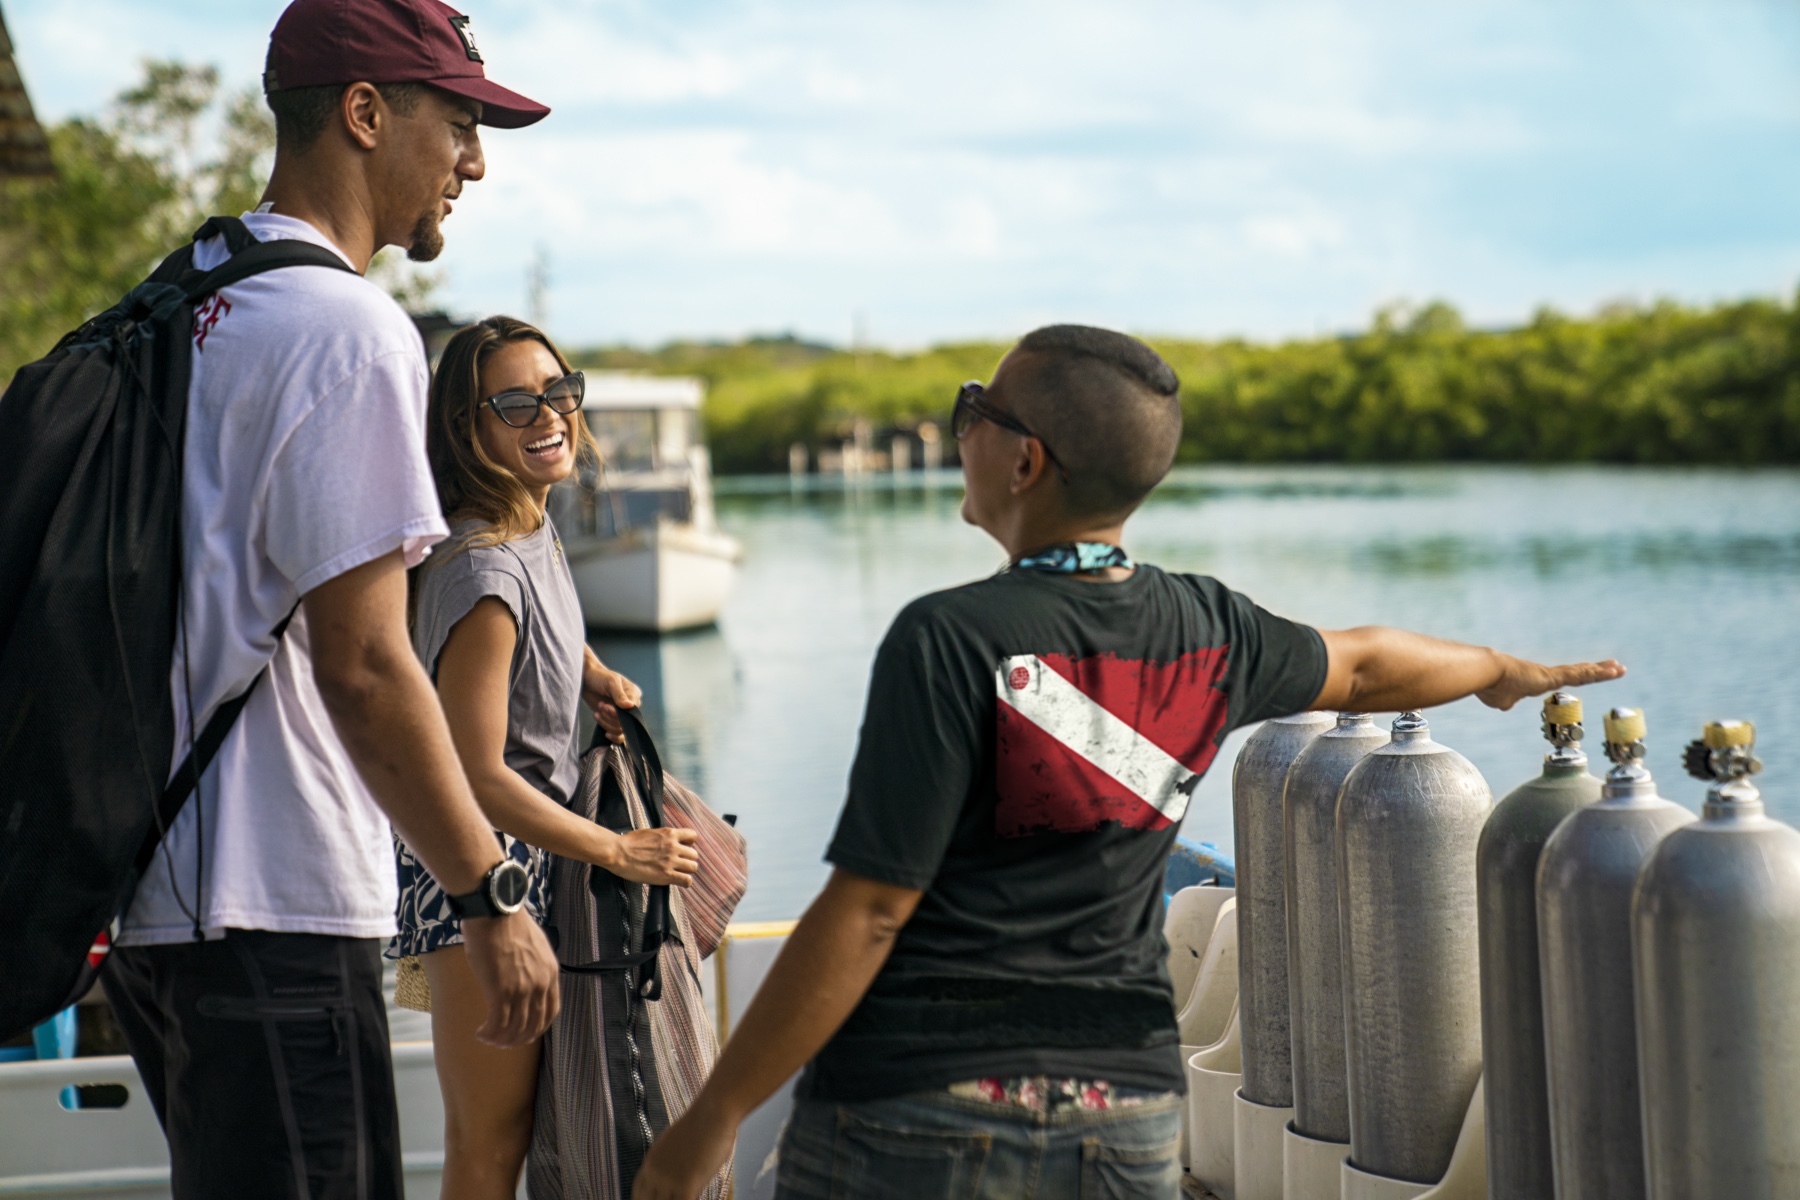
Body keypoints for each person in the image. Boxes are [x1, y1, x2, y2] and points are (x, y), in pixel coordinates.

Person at [632, 324, 1625, 1200]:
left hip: (921, 1106)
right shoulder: (1211, 628)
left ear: (1026, 461)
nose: (959, 428)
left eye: (974, 409)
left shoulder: (948, 638)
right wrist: (1497, 669)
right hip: (1126, 1113)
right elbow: (1366, 665)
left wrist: (714, 1115)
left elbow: (871, 911)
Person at [99, 4, 564, 1197]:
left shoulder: (188, 299)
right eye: (457, 123)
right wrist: (490, 894)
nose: (473, 162)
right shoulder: (348, 329)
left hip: (155, 909)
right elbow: (362, 666)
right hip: (278, 904)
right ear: (363, 113)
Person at [393, 316, 699, 1200]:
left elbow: (542, 626)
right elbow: (475, 773)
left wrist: (588, 672)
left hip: (532, 860)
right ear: (467, 429)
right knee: (490, 1143)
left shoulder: (531, 522)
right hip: (483, 874)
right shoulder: (482, 571)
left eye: (560, 391)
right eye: (517, 404)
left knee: (526, 1131)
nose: (550, 415)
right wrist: (618, 850)